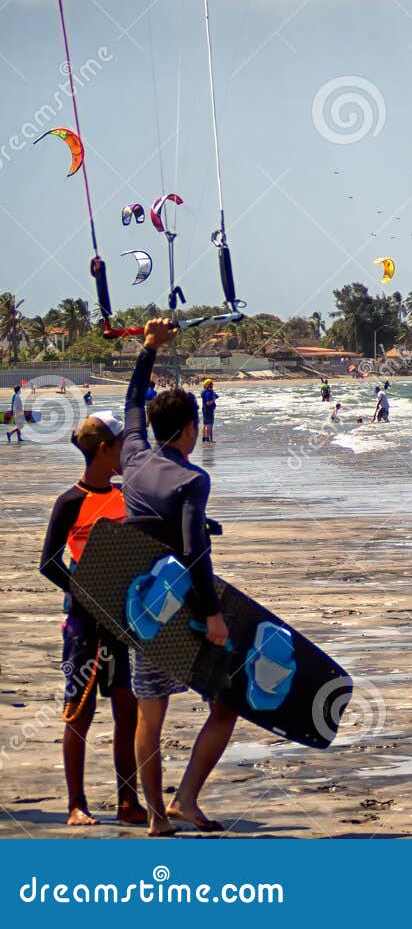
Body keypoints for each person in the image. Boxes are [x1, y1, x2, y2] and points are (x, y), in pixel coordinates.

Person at [120, 319, 235, 836]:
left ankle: (156, 816)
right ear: (190, 429)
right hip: (184, 611)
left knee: (151, 714)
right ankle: (187, 797)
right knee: (226, 704)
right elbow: (193, 552)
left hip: (140, 607)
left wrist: (149, 348)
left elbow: (131, 405)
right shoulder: (193, 477)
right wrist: (212, 615)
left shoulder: (133, 456)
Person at [38, 410, 145, 828]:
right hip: (83, 624)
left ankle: (127, 802)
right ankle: (75, 804)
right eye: (120, 447)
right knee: (78, 711)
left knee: (126, 709)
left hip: (120, 620)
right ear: (105, 449)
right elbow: (48, 562)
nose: (126, 454)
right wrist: (82, 591)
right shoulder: (69, 502)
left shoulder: (126, 495)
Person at [199, 379, 218, 444]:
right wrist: (213, 399)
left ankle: (204, 439)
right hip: (209, 410)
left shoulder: (204, 392)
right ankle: (209, 440)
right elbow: (208, 403)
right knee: (209, 425)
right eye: (211, 383)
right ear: (209, 385)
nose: (212, 384)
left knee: (205, 424)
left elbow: (217, 396)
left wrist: (213, 394)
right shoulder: (208, 393)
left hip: (204, 410)